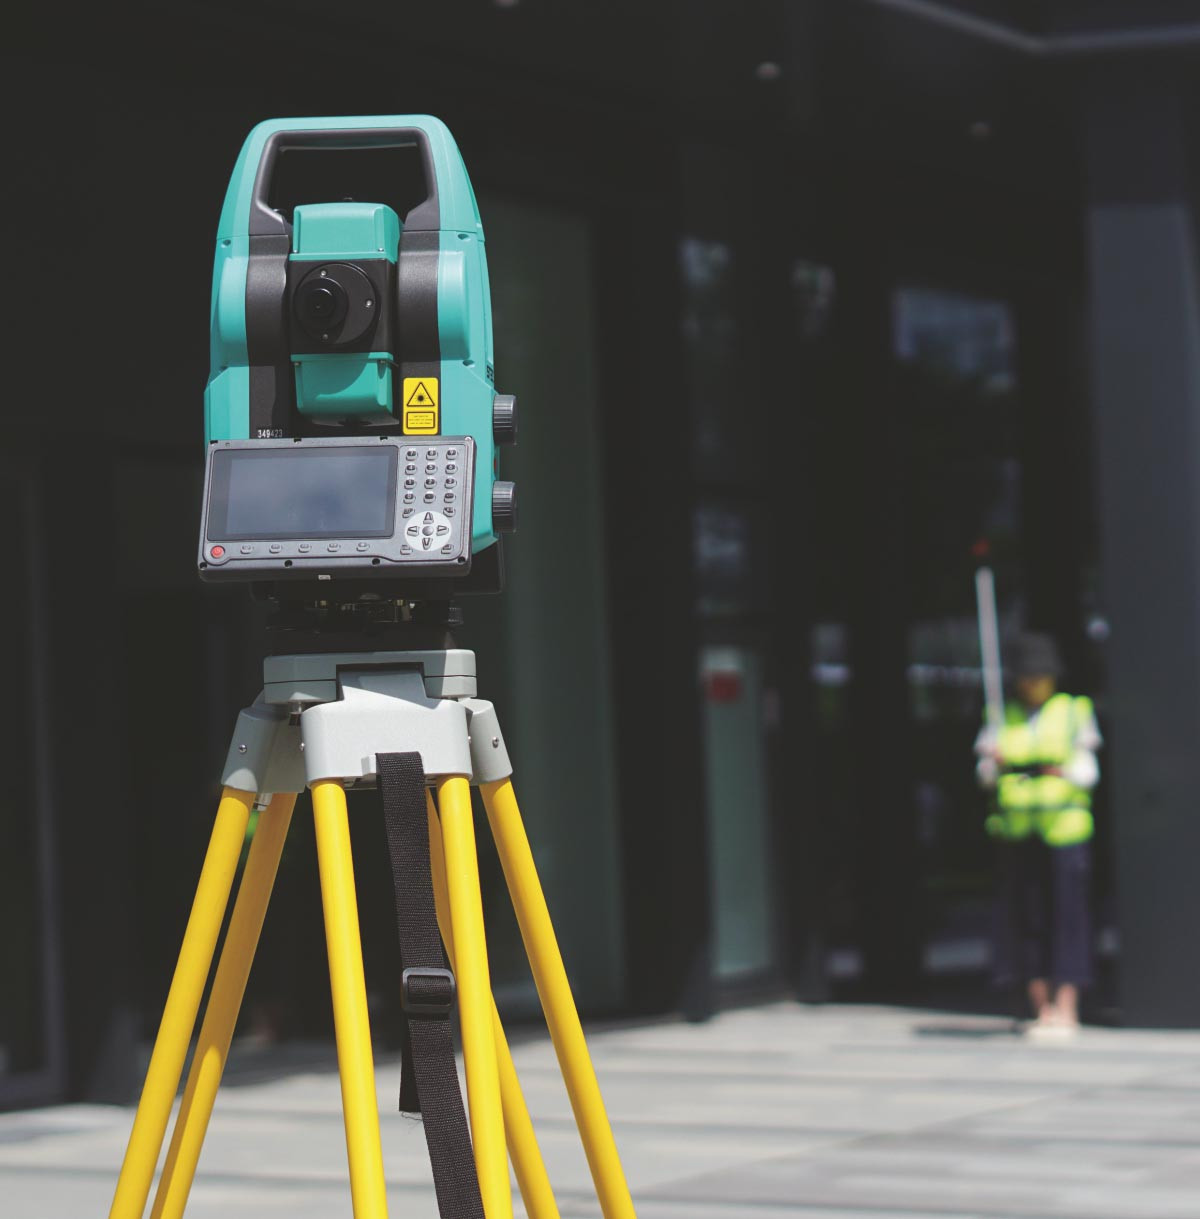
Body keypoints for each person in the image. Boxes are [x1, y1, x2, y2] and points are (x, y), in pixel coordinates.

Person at [974, 631, 1101, 1038]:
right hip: (1019, 832)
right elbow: (985, 776)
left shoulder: (1073, 711)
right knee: (1027, 919)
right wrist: (995, 763)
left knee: (1068, 918)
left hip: (1064, 831)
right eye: (1026, 677)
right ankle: (1040, 1009)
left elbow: (1087, 771)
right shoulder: (1001, 716)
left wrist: (1053, 769)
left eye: (1039, 676)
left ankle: (1067, 1008)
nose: (1032, 683)